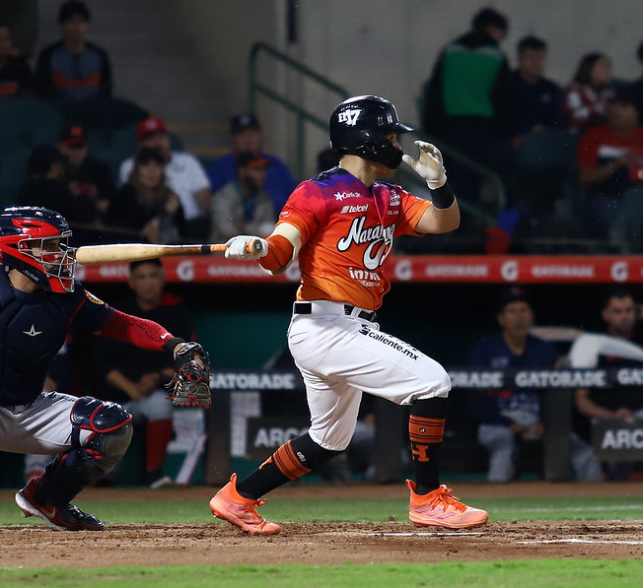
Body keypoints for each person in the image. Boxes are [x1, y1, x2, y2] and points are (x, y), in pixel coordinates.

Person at [208, 95, 488, 535]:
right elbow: (280, 254)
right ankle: (429, 499)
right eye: (391, 136)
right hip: (325, 325)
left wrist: (439, 184)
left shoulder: (389, 196)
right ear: (367, 140)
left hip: (346, 327)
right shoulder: (317, 190)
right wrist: (259, 246)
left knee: (328, 439)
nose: (397, 144)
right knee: (433, 382)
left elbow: (443, 222)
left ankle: (238, 497)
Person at [0, 206, 207, 533]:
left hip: (29, 405)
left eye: (61, 245)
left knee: (114, 427)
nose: (63, 255)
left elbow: (122, 324)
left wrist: (173, 343)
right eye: (51, 247)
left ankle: (47, 499)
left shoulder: (67, 296)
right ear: (20, 250)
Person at [468, 286, 601, 482]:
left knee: (586, 453)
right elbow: (474, 401)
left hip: (537, 421)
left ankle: (599, 507)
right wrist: (510, 424)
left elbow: (556, 397)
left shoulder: (544, 349)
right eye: (512, 311)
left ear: (531, 316)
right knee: (504, 446)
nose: (518, 317)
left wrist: (545, 423)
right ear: (501, 318)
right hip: (497, 422)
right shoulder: (486, 350)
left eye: (523, 310)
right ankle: (495, 503)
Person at [89, 259, 196, 488]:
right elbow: (99, 363)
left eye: (153, 276)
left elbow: (187, 362)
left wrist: (158, 376)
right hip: (115, 396)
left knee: (159, 403)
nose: (148, 283)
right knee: (104, 415)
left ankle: (154, 475)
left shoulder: (176, 313)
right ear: (131, 283)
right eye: (142, 277)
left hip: (154, 394)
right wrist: (131, 388)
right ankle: (104, 479)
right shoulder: (116, 314)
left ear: (163, 279)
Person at [422, 7, 509, 202]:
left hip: (449, 125)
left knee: (451, 176)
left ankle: (451, 224)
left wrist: (431, 128)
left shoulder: (450, 50)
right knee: (474, 177)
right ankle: (470, 224)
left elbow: (435, 91)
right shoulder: (497, 56)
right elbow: (503, 97)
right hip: (482, 127)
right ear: (493, 29)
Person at [571, 288, 643, 480]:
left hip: (638, 423)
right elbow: (581, 400)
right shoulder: (592, 346)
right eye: (617, 312)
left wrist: (634, 417)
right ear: (606, 315)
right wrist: (613, 417)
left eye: (628, 310)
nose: (624, 316)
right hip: (598, 426)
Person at [118, 116, 211, 238]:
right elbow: (133, 205)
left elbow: (206, 201)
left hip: (189, 227)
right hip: (144, 229)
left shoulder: (187, 161)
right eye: (150, 138)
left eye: (161, 137)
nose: (157, 143)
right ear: (139, 143)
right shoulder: (130, 166)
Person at [575, 87, 643, 239]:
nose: (615, 111)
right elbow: (583, 179)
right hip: (605, 196)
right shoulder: (593, 135)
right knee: (607, 210)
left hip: (638, 197)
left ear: (636, 111)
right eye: (612, 105)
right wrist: (616, 164)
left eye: (623, 107)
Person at [207, 114, 298, 214]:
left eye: (252, 134)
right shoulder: (220, 167)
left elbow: (295, 199)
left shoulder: (276, 164)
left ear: (260, 135)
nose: (248, 139)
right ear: (233, 138)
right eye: (242, 135)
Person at [17, 144, 98, 244]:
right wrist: (79, 196)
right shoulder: (57, 189)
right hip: (58, 249)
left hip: (28, 246)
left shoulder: (25, 189)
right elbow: (85, 215)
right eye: (59, 164)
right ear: (53, 167)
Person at [34, 0, 112, 102]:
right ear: (63, 25)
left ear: (86, 25)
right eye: (71, 21)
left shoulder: (99, 55)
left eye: (81, 22)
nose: (77, 27)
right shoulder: (48, 55)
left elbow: (105, 89)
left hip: (93, 111)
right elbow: (43, 91)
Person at [104, 147, 184, 243]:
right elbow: (114, 232)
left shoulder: (169, 196)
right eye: (145, 165)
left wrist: (171, 214)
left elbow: (184, 233)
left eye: (157, 166)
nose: (152, 171)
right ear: (137, 170)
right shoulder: (123, 196)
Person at [497, 36, 563, 152]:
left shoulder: (552, 89)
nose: (537, 63)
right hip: (511, 143)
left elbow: (558, 120)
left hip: (545, 144)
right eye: (531, 58)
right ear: (520, 61)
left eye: (540, 58)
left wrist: (545, 130)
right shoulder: (507, 86)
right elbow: (502, 119)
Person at [209, 151, 277, 244]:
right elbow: (228, 232)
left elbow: (268, 233)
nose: (263, 175)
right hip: (223, 255)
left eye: (263, 170)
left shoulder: (265, 199)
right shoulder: (223, 197)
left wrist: (244, 227)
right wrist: (255, 230)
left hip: (258, 254)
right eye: (257, 169)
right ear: (242, 171)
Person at [56, 124, 116, 217]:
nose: (76, 152)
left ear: (87, 147)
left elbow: (108, 206)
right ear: (60, 147)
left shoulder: (99, 171)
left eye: (80, 146)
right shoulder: (53, 170)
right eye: (71, 146)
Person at [563, 53, 614, 134]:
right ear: (589, 69)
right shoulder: (575, 91)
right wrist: (598, 110)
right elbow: (574, 116)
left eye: (608, 67)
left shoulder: (609, 94)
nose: (607, 71)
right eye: (603, 67)